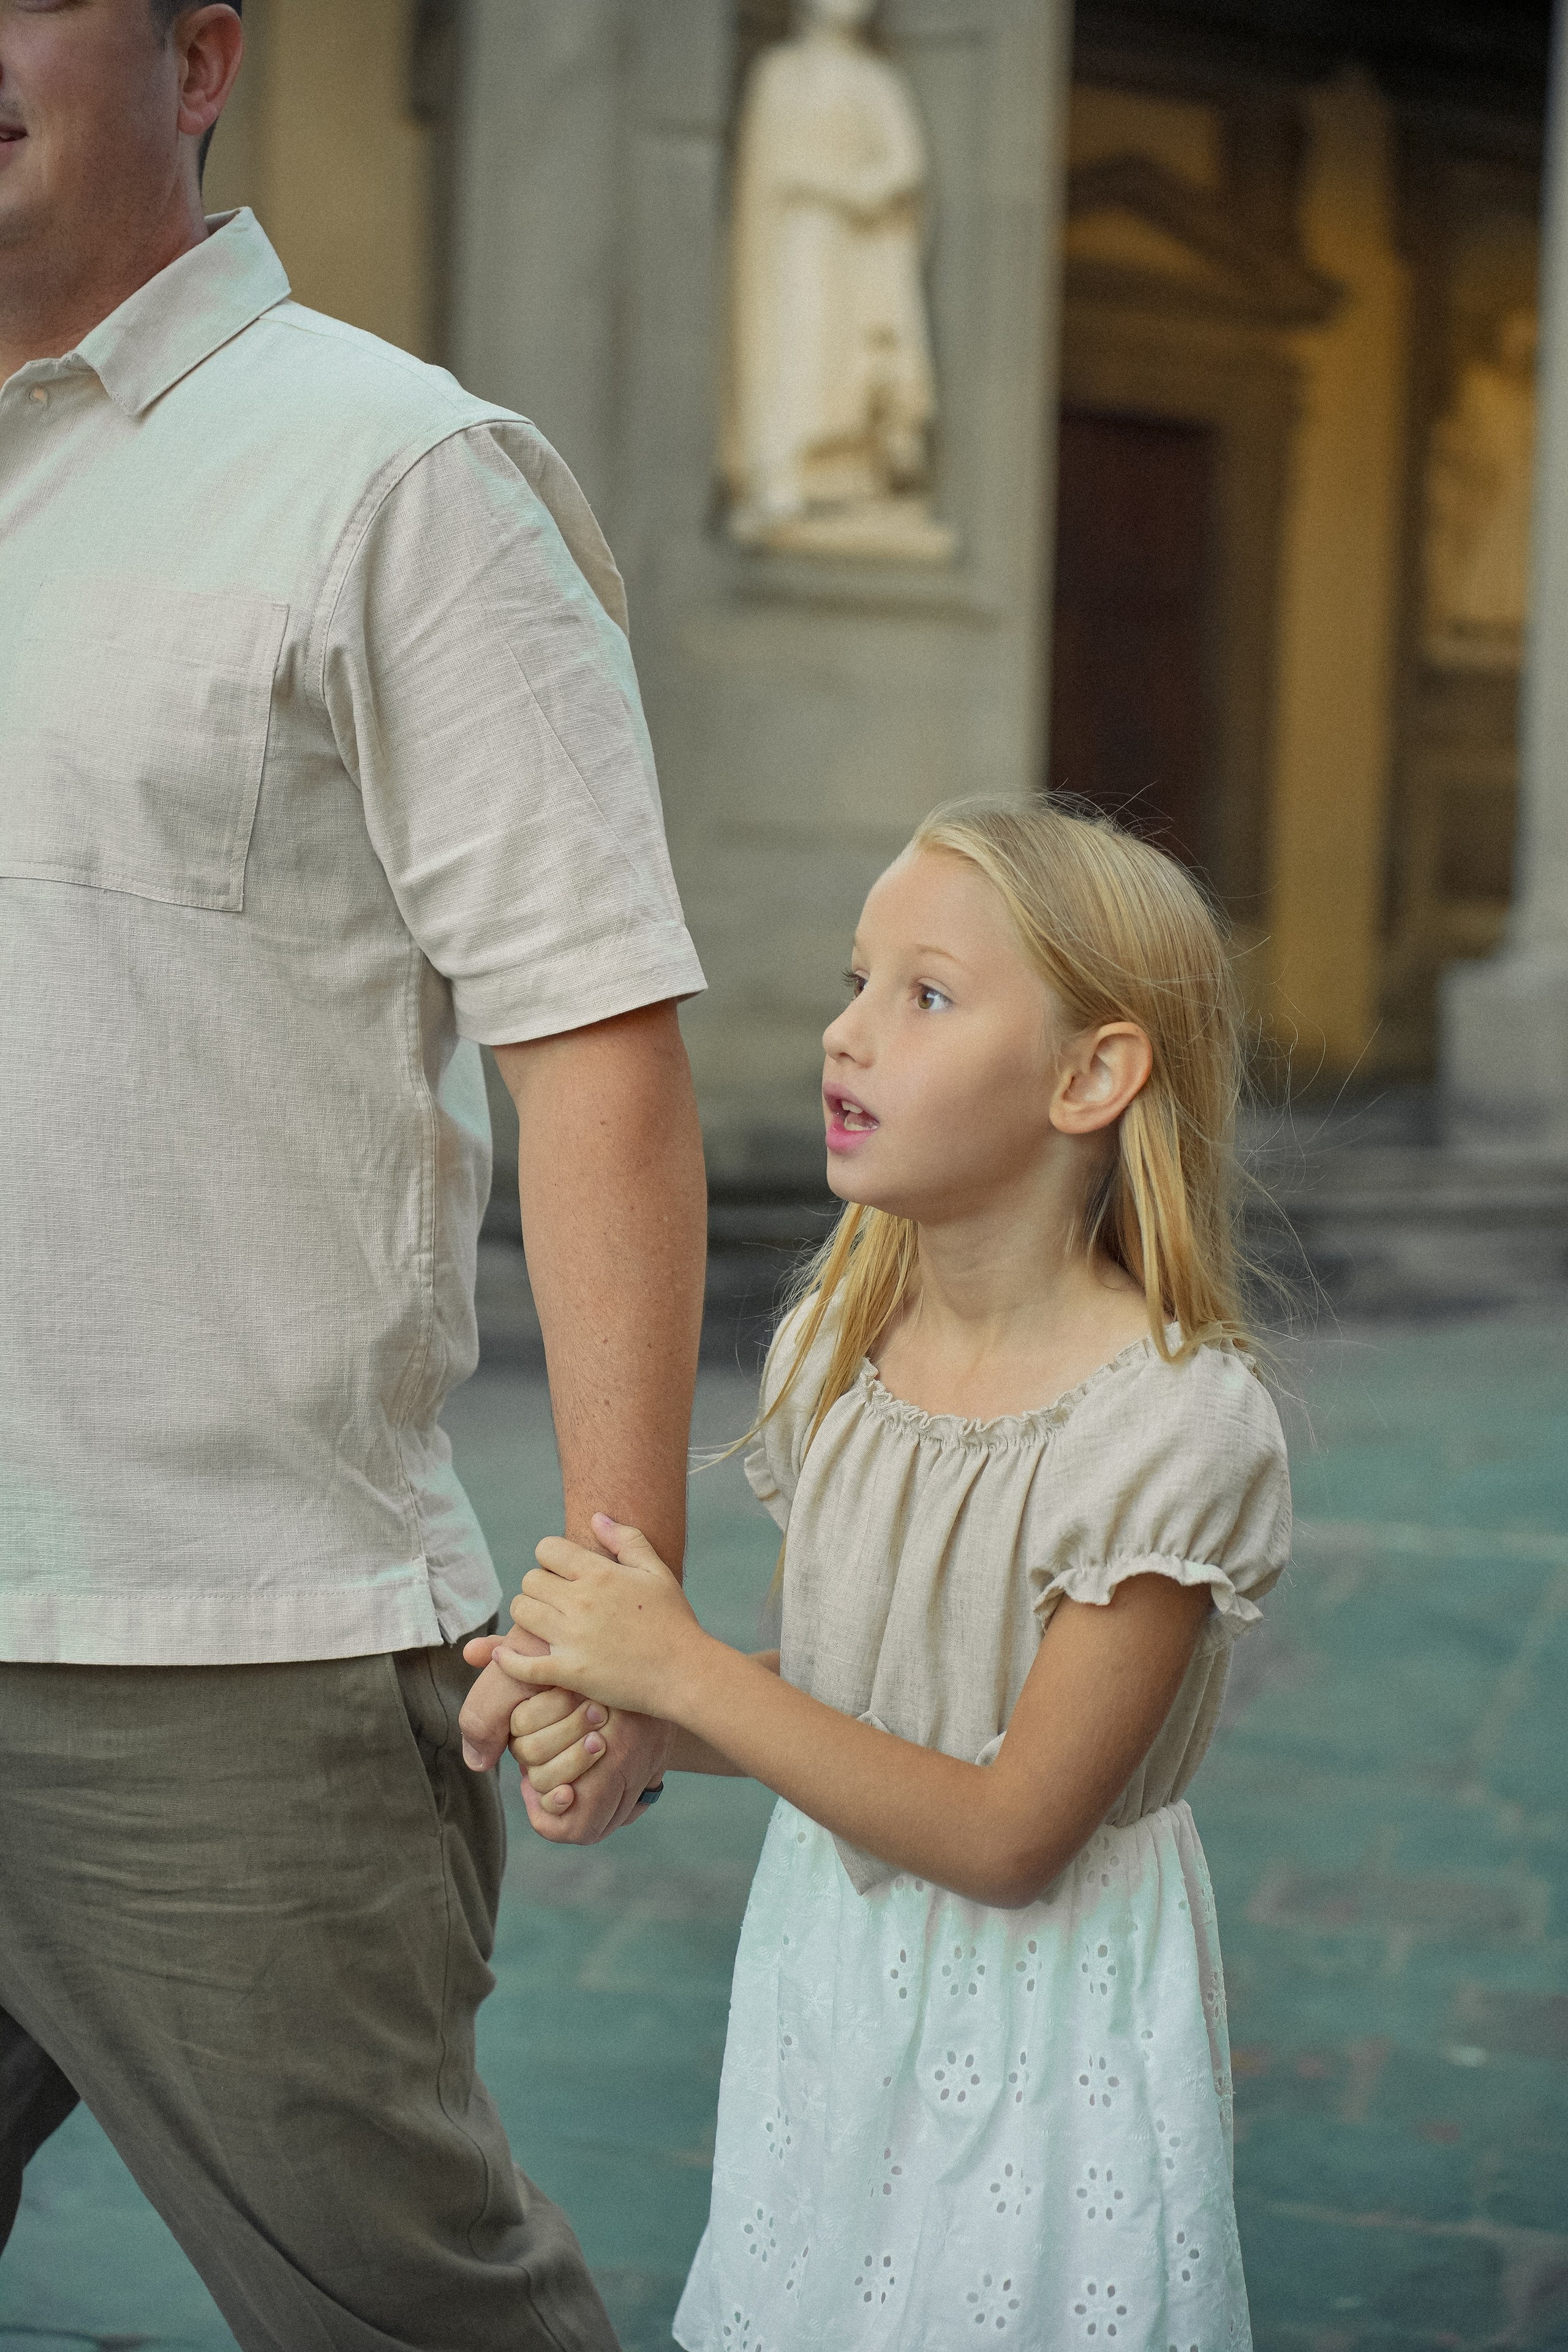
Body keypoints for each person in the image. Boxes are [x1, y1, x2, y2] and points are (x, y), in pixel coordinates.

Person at [0, 6, 706, 2347]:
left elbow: (595, 1041)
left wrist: (625, 1601)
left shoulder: (391, 470)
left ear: (202, 53)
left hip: (222, 1669)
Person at [492, 801, 1292, 2349]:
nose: (845, 1034)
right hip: (831, 1972)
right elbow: (865, 1716)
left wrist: (680, 1670)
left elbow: (1007, 1833)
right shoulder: (839, 1355)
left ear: (1089, 1076)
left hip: (1044, 2018)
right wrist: (624, 1706)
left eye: (921, 995)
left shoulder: (1165, 1429)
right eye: (854, 981)